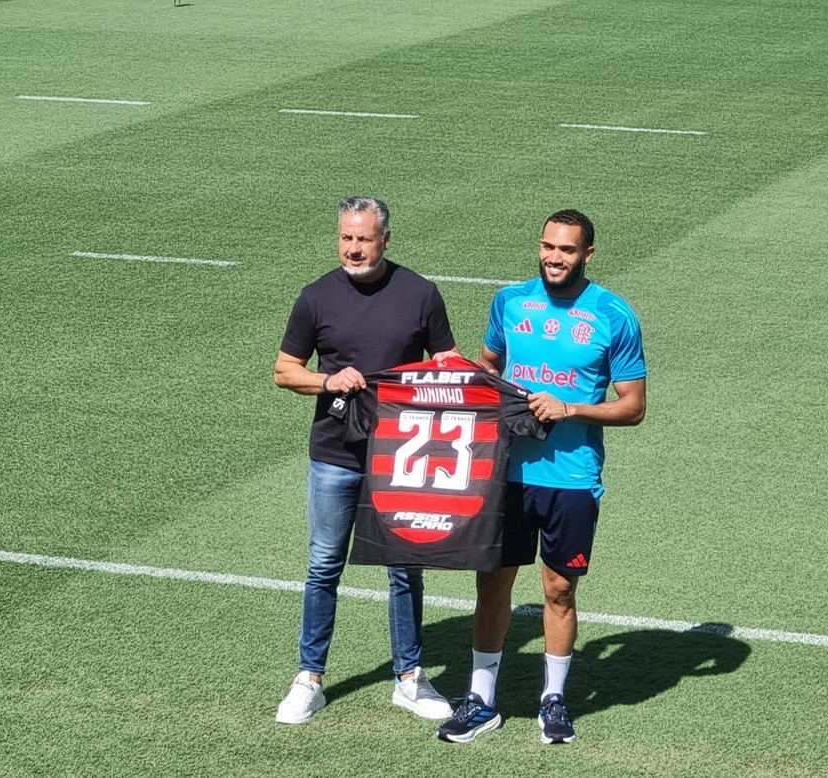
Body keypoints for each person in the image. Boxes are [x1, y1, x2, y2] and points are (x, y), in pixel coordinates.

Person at [437, 209, 647, 744]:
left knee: (558, 590)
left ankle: (552, 700)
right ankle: (480, 700)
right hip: (506, 474)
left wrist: (570, 409)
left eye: (568, 250)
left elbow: (634, 407)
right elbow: (488, 366)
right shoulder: (509, 301)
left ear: (588, 255)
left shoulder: (613, 315)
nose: (555, 258)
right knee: (493, 585)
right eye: (548, 247)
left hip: (572, 478)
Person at [274, 196, 458, 724]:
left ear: (385, 240)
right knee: (323, 566)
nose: (353, 248)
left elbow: (444, 361)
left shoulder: (420, 293)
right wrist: (327, 380)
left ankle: (410, 677)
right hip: (335, 454)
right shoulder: (315, 297)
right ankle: (309, 678)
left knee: (405, 567)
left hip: (403, 457)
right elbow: (285, 369)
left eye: (364, 239)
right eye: (346, 238)